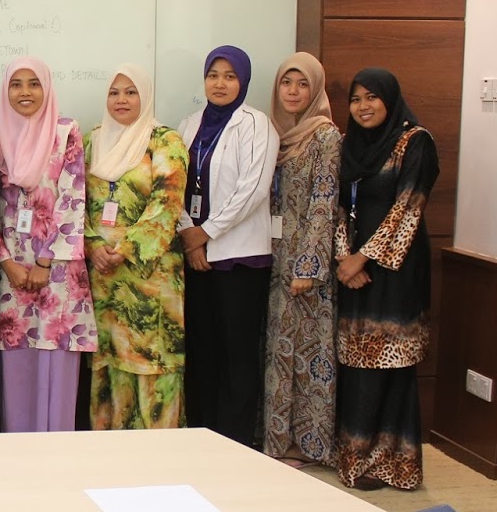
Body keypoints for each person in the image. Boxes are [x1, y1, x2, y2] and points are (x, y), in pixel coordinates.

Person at [334, 68, 438, 491]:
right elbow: (338, 206)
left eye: (372, 97)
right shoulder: (349, 145)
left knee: (391, 368)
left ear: (390, 100)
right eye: (356, 98)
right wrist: (344, 258)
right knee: (357, 365)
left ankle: (391, 465)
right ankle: (354, 458)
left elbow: (408, 208)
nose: (363, 106)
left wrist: (363, 258)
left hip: (396, 270)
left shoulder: (415, 142)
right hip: (353, 272)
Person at [0, 56, 95, 432]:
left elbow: (73, 198)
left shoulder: (66, 132)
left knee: (56, 358)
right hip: (12, 271)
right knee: (17, 361)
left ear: (47, 88)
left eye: (34, 83)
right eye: (16, 84)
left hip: (58, 270)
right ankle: (18, 451)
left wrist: (45, 261)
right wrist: (6, 261)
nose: (25, 92)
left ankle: (58, 454)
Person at [178, 45, 275, 447]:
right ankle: (202, 436)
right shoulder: (187, 125)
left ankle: (234, 442)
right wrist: (189, 236)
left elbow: (252, 189)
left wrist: (207, 232)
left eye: (230, 76)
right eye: (213, 75)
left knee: (237, 354)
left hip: (240, 259)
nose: (220, 84)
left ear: (243, 81)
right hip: (195, 256)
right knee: (202, 351)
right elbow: (174, 184)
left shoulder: (256, 124)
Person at [83, 64, 188, 430]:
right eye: (114, 92)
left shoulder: (165, 141)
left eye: (131, 92)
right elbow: (76, 202)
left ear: (145, 96)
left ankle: (157, 455)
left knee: (152, 365)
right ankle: (111, 450)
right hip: (104, 279)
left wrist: (125, 249)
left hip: (151, 278)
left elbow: (167, 203)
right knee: (110, 363)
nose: (122, 100)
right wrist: (93, 245)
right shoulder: (92, 142)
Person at [263, 52, 341, 468]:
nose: (293, 92)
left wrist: (308, 267)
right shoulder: (272, 133)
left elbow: (324, 203)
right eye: (286, 83)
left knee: (306, 356)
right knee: (276, 351)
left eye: (302, 84)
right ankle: (275, 439)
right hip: (271, 259)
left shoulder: (324, 136)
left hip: (304, 266)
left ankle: (306, 443)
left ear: (316, 89)